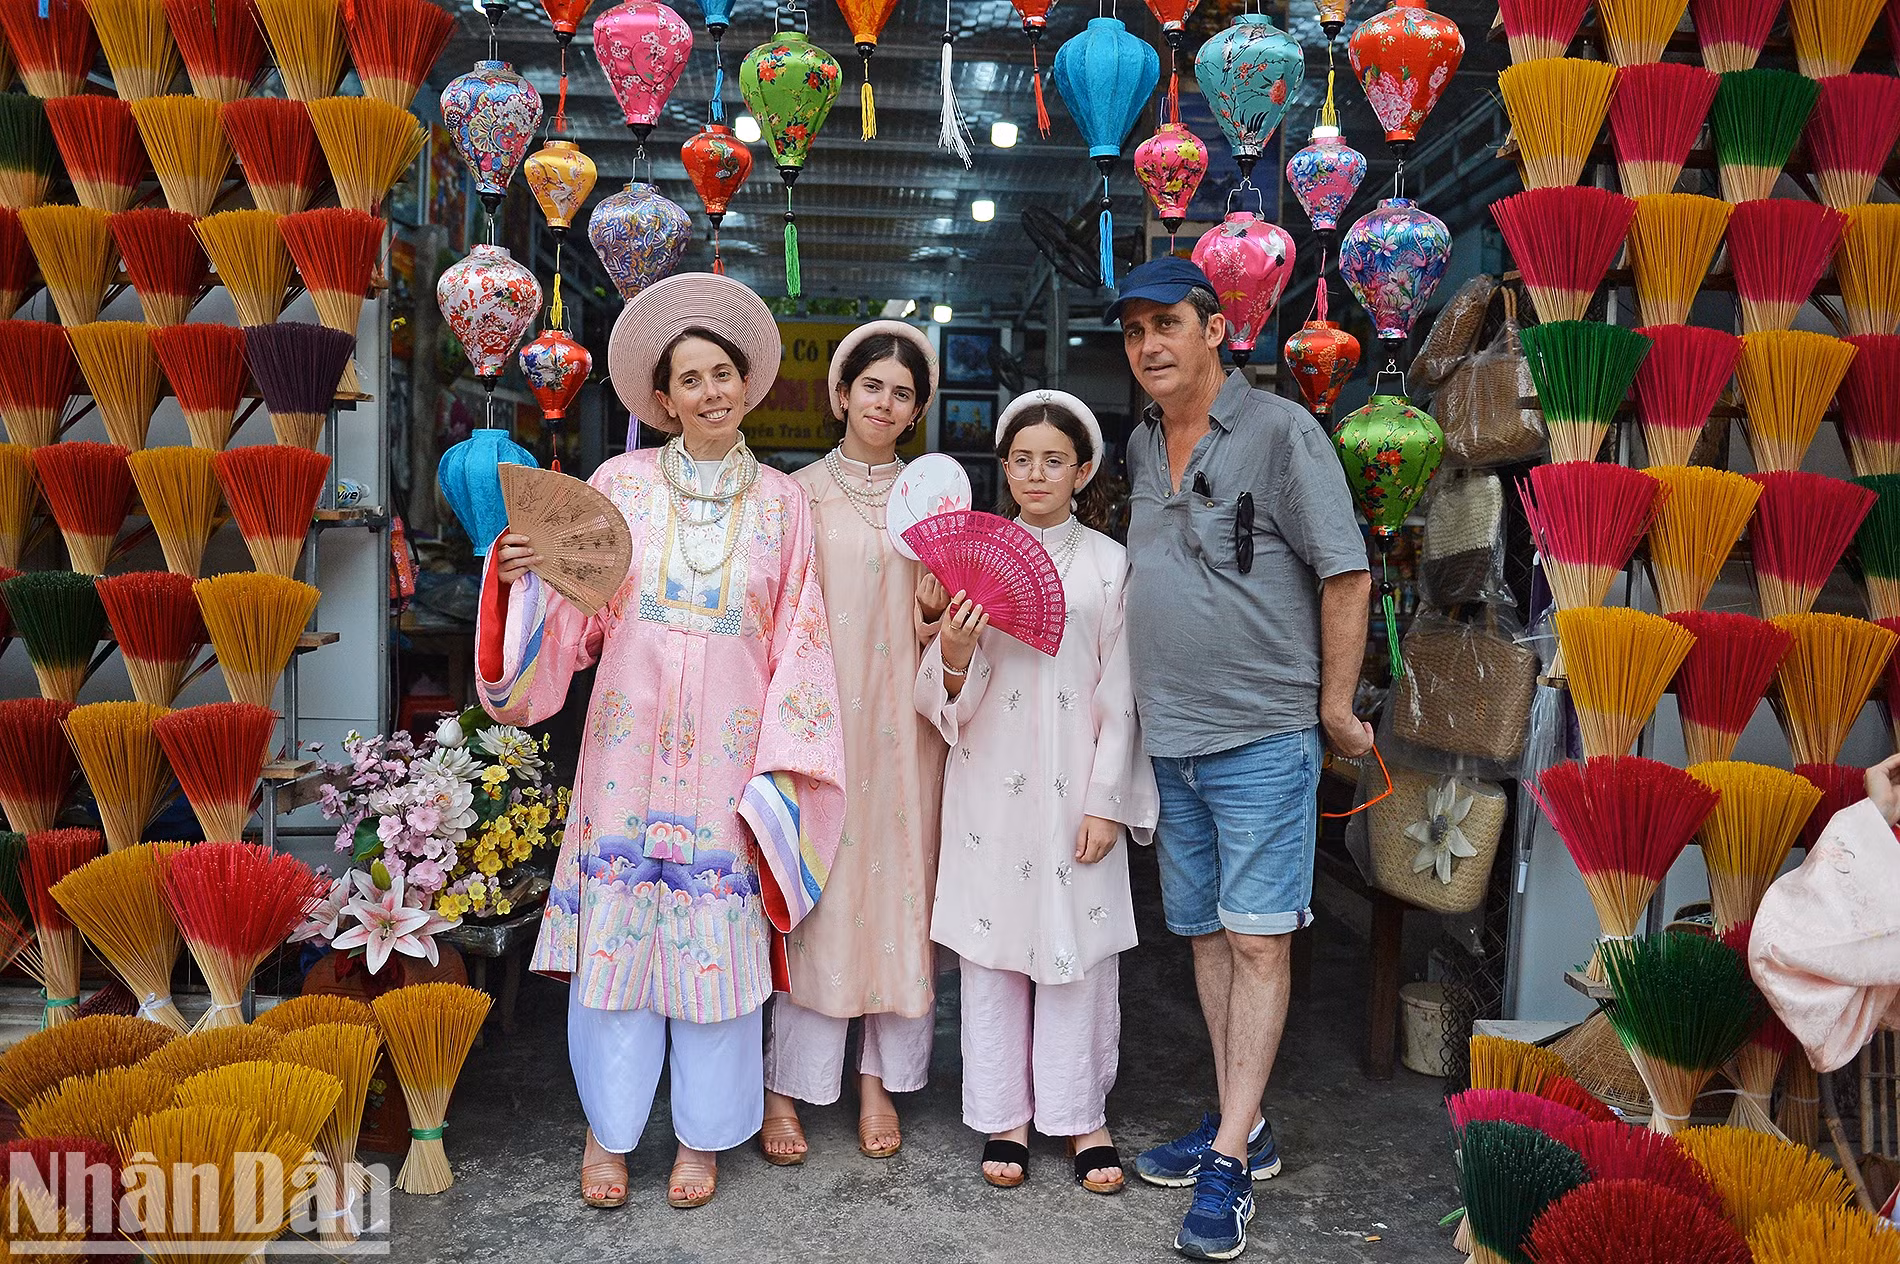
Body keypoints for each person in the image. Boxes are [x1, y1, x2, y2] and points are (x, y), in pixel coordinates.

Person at [477, 273, 846, 1211]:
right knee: (618, 949)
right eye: (690, 379)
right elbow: (574, 624)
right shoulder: (619, 488)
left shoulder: (782, 504)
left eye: (723, 373)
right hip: (625, 757)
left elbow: (802, 640)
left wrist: (782, 772)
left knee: (717, 953)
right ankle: (609, 1132)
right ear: (664, 397)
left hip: (729, 765)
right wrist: (517, 577)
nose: (711, 391)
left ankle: (701, 1136)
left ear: (747, 382)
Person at [1109, 258, 1373, 1260]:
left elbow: (1343, 572)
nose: (1150, 347)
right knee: (1209, 941)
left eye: (1167, 324)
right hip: (1168, 736)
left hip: (1261, 734)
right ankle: (1243, 1123)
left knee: (1258, 938)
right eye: (1134, 331)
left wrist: (1336, 705)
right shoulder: (1139, 444)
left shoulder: (1280, 432)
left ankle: (1225, 1157)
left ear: (1217, 329)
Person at [916, 390, 1158, 1195]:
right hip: (990, 779)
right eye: (1021, 460)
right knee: (992, 949)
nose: (1035, 473)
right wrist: (953, 650)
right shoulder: (975, 561)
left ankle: (1081, 1113)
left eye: (1054, 460)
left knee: (1076, 949)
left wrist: (1105, 801)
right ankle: (1004, 1115)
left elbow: (1121, 694)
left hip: (1074, 783)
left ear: (1083, 469)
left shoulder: (1111, 565)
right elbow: (950, 697)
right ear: (1004, 467)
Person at [760, 322, 949, 1163]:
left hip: (907, 731)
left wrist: (943, 599)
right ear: (841, 394)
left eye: (903, 393)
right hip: (819, 725)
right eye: (872, 385)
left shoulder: (938, 503)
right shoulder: (793, 497)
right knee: (815, 893)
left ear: (916, 413)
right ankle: (787, 1089)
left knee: (900, 893)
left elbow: (939, 624)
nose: (885, 402)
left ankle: (880, 1084)